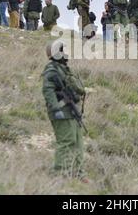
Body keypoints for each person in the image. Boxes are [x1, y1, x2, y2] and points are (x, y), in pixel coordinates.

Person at [42, 41, 88, 182]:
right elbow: (47, 90)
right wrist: (56, 108)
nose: (65, 52)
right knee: (66, 141)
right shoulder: (52, 70)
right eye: (62, 50)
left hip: (71, 111)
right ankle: (60, 173)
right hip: (62, 111)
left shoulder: (64, 69)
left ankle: (79, 173)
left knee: (78, 142)